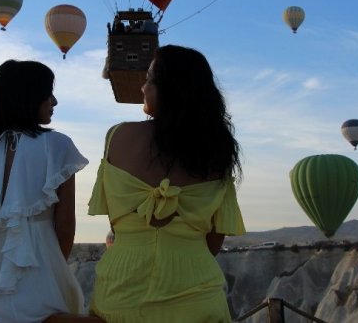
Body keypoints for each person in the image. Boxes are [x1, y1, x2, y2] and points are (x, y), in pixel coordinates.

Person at [88, 45, 245, 322]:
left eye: (149, 79)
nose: (142, 87)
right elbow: (214, 238)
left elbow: (116, 223)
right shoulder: (218, 152)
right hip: (197, 294)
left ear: (169, 88)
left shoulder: (118, 136)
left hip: (123, 292)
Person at [0, 60, 88, 323]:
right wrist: (48, 261)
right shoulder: (57, 147)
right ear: (28, 96)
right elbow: (65, 228)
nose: (54, 101)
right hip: (42, 271)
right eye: (47, 92)